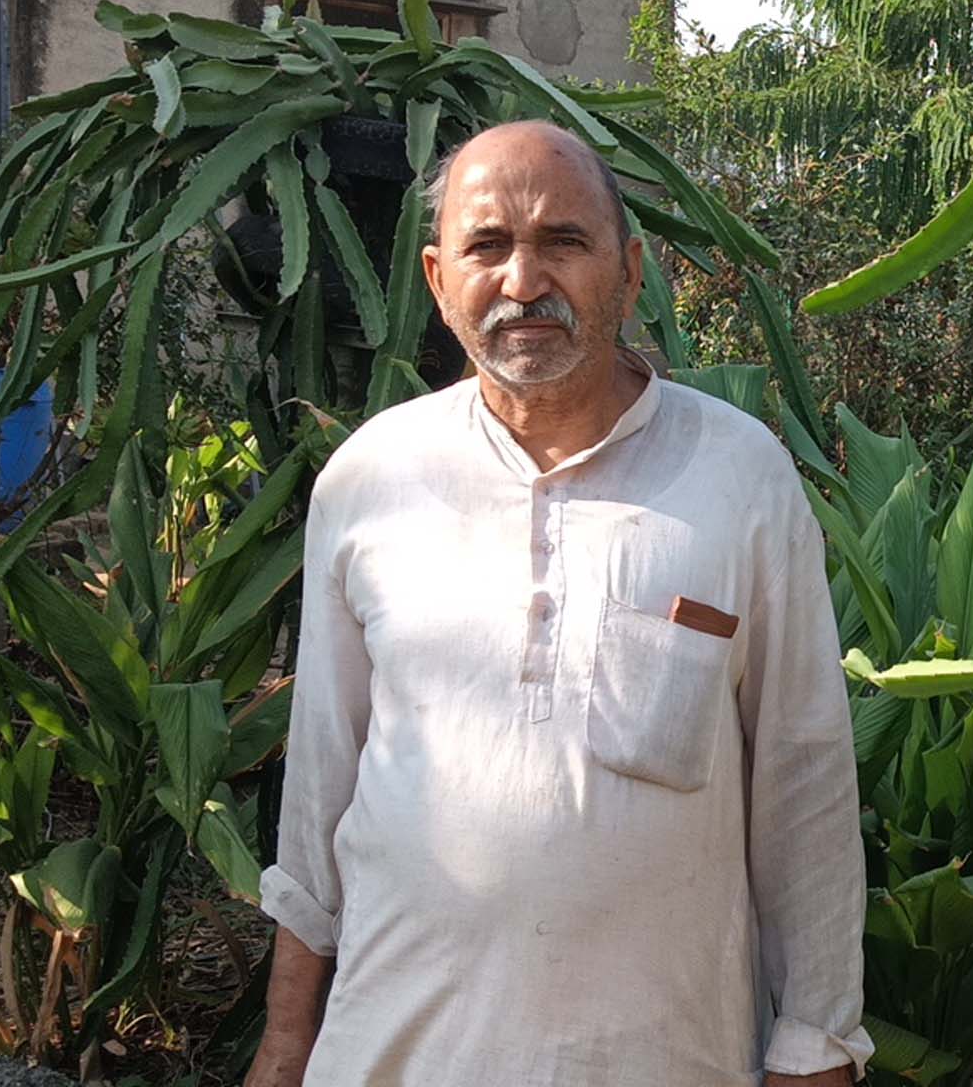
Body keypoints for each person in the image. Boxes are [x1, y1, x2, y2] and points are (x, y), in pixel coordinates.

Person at [244, 120, 870, 1086]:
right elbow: (322, 780)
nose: (523, 282)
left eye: (564, 243)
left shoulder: (741, 476)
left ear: (628, 271)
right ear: (438, 276)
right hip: (395, 1055)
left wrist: (817, 1043)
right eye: (487, 246)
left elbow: (804, 777)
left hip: (667, 1056)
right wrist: (287, 1043)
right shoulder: (371, 478)